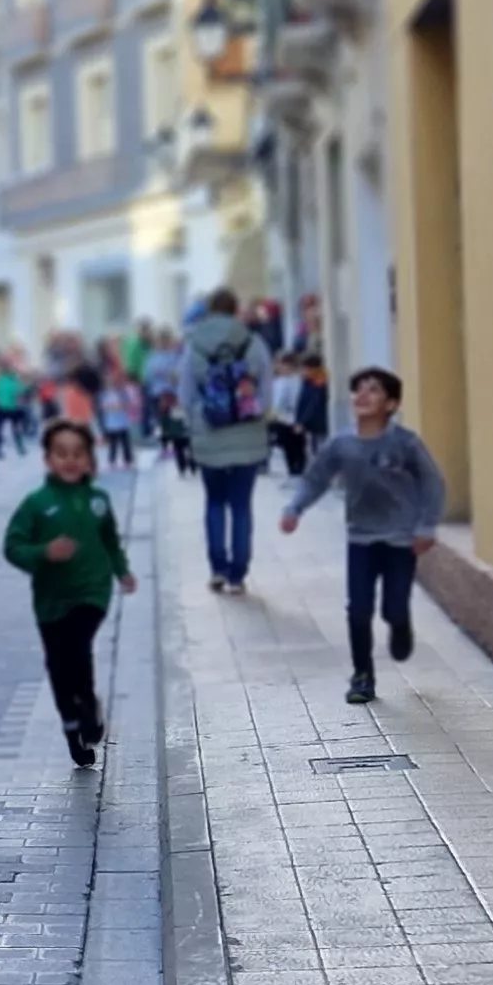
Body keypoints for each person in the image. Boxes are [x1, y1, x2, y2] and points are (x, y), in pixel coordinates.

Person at [280, 367, 448, 705]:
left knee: (394, 607)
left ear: (391, 403)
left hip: (400, 539)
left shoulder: (405, 443)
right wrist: (295, 508)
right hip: (361, 539)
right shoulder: (341, 444)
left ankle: (400, 627)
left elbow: (433, 484)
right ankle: (362, 676)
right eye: (358, 390)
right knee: (358, 610)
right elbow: (316, 478)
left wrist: (426, 526)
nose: (362, 395)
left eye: (373, 390)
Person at [1, 421, 135, 768]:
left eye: (78, 453)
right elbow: (13, 546)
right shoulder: (36, 504)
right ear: (48, 459)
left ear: (90, 459)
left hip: (92, 590)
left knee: (78, 648)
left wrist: (121, 571)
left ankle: (88, 707)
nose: (70, 460)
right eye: (62, 454)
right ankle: (72, 730)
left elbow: (109, 540)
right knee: (60, 667)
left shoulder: (98, 501)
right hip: (50, 599)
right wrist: (44, 552)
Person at [176, 287, 274, 594]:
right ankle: (238, 574)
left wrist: (197, 422)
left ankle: (217, 568)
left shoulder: (193, 346)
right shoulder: (253, 342)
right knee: (241, 506)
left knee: (214, 502)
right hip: (247, 436)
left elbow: (185, 394)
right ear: (235, 310)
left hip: (209, 435)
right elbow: (267, 392)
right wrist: (255, 413)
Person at [268, 352, 311, 478]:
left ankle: (299, 470)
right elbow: (275, 400)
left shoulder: (298, 380)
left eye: (285, 365)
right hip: (282, 418)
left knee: (299, 445)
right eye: (280, 365)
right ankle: (292, 471)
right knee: (287, 446)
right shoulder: (278, 382)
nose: (282, 368)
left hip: (296, 417)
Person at [97, 362, 142, 469]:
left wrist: (118, 406)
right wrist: (111, 407)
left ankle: (128, 460)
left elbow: (126, 404)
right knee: (113, 444)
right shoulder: (103, 394)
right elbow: (102, 407)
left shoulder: (121, 393)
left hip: (122, 422)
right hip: (111, 423)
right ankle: (112, 460)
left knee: (125, 443)